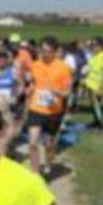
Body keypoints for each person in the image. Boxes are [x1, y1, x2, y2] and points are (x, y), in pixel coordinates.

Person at [25, 36, 72, 176]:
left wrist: (56, 92)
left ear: (55, 51)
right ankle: (35, 173)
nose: (46, 54)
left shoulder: (63, 68)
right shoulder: (35, 65)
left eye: (49, 51)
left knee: (48, 144)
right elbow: (32, 83)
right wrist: (30, 89)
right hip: (36, 108)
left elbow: (68, 91)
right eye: (43, 51)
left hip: (54, 112)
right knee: (33, 142)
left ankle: (48, 163)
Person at [0, 47, 24, 155]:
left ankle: (6, 152)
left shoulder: (13, 71)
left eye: (4, 57)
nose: (1, 59)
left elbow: (21, 86)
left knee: (9, 131)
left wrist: (16, 96)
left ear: (7, 59)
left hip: (9, 107)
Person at [82, 37, 103, 129]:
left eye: (95, 45)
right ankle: (95, 121)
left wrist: (101, 88)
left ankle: (99, 124)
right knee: (93, 105)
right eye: (93, 45)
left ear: (101, 46)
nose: (93, 47)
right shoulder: (94, 56)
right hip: (90, 85)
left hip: (97, 86)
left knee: (96, 106)